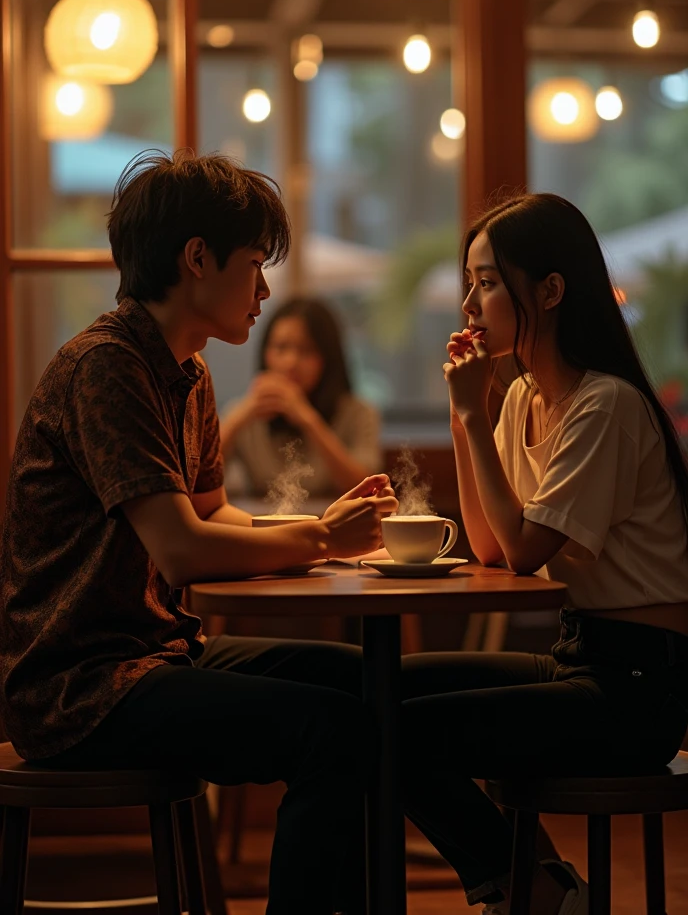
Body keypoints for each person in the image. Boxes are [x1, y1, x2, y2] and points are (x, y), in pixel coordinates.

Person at [0, 150, 398, 915]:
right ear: (196, 259)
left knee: (359, 683)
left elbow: (215, 513)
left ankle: (500, 876)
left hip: (152, 653)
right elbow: (182, 549)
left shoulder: (189, 369)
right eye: (254, 265)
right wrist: (320, 540)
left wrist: (322, 531)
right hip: (79, 686)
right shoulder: (108, 367)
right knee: (332, 731)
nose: (265, 290)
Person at [398, 193, 688, 915]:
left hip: (641, 686)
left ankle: (538, 889)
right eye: (471, 282)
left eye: (488, 282)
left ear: (551, 291)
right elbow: (490, 545)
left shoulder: (606, 405)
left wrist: (468, 411)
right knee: (386, 694)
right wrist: (475, 415)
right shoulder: (525, 396)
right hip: (579, 655)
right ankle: (543, 886)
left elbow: (524, 552)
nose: (469, 302)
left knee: (398, 731)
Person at [220, 297, 382, 499]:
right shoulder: (245, 413)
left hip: (337, 526)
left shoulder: (358, 413)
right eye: (281, 348)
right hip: (262, 527)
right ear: (265, 353)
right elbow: (201, 479)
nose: (291, 362)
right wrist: (238, 418)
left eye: (306, 350)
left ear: (328, 357)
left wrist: (307, 419)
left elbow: (364, 485)